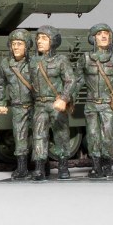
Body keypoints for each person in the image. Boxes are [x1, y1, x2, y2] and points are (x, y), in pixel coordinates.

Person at [76, 23, 113, 178]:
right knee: (92, 135)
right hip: (91, 104)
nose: (104, 36)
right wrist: (67, 97)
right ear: (93, 38)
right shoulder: (86, 58)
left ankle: (107, 165)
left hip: (107, 104)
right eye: (99, 34)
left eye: (106, 33)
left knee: (108, 135)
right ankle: (95, 165)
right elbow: (77, 80)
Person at [29, 25, 76, 180]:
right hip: (39, 104)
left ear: (53, 41)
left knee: (61, 135)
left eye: (44, 38)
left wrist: (64, 98)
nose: (39, 41)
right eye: (38, 38)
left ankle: (63, 166)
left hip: (56, 104)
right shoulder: (33, 61)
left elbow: (70, 80)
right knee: (38, 136)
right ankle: (40, 167)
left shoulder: (61, 60)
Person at [0, 29, 33, 180]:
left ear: (27, 46)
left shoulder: (35, 62)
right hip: (18, 106)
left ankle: (42, 166)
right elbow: (1, 84)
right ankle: (22, 169)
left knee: (40, 136)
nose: (15, 47)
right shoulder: (5, 64)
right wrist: (1, 102)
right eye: (13, 44)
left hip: (36, 105)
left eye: (19, 43)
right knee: (20, 137)